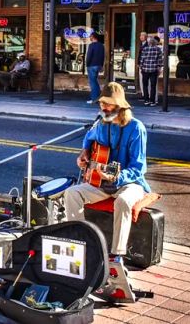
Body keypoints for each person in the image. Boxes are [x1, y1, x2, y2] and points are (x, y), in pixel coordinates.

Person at [64, 82, 150, 264]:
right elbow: (89, 137)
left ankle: (116, 255)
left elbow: (139, 168)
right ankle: (81, 244)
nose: (103, 106)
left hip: (130, 183)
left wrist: (117, 176)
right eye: (101, 103)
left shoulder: (136, 128)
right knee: (72, 193)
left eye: (108, 103)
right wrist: (84, 152)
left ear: (120, 106)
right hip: (102, 184)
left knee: (124, 200)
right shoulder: (102, 124)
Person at [140, 36, 162, 106]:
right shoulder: (158, 49)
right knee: (153, 86)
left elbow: (142, 59)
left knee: (145, 85)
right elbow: (160, 60)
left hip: (145, 69)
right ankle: (152, 101)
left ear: (148, 42)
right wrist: (159, 68)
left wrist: (141, 67)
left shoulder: (145, 49)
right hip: (154, 69)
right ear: (154, 42)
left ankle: (146, 100)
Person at [85, 32, 105, 104]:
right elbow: (103, 56)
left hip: (91, 66)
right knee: (95, 82)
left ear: (93, 37)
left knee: (93, 83)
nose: (90, 38)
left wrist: (87, 64)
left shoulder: (91, 45)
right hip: (98, 65)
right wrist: (101, 65)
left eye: (90, 36)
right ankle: (98, 98)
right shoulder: (101, 46)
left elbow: (89, 56)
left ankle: (94, 99)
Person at [137, 32, 148, 98]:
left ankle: (145, 94)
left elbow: (144, 56)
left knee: (144, 80)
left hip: (145, 65)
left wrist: (141, 63)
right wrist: (138, 63)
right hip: (141, 64)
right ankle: (143, 93)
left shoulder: (147, 44)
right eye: (140, 35)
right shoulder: (141, 44)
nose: (141, 37)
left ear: (146, 37)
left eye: (142, 35)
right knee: (141, 79)